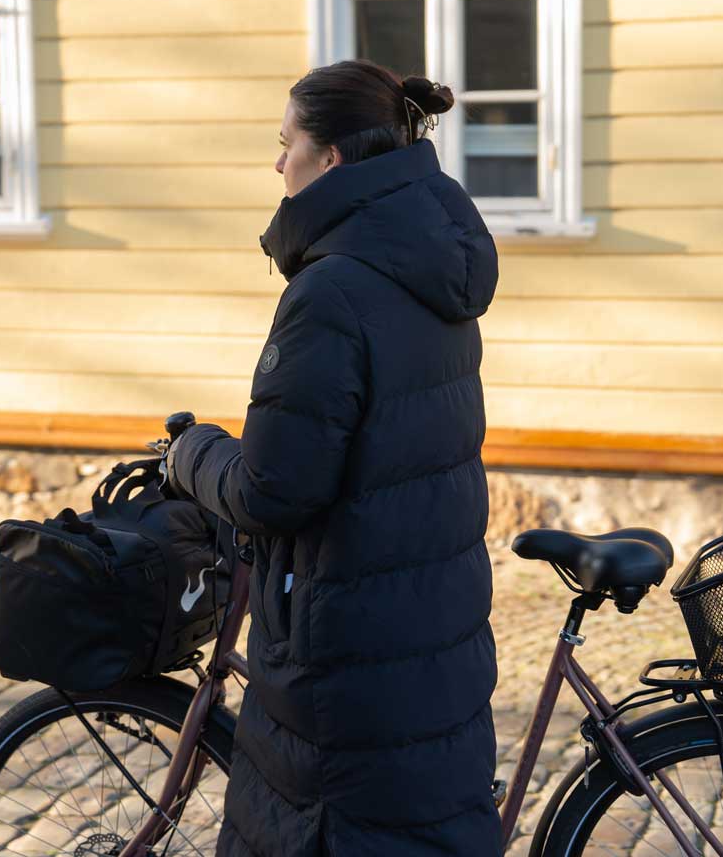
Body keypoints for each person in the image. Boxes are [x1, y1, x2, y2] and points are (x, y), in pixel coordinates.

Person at [164, 59, 501, 856]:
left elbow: (275, 490)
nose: (277, 163)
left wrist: (191, 453)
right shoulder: (428, 267)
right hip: (434, 627)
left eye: (288, 145)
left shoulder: (332, 291)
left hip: (346, 650)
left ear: (332, 162)